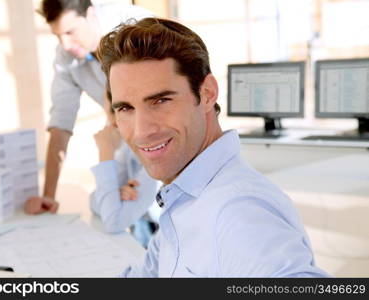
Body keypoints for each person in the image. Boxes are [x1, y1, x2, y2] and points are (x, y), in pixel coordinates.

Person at [96, 17, 329, 277]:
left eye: (161, 100)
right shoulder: (184, 195)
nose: (141, 131)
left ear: (207, 94)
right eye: (126, 108)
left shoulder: (239, 209)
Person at [24, 0, 153, 214]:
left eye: (70, 32)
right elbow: (60, 124)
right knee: (115, 207)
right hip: (125, 146)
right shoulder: (66, 56)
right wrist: (48, 197)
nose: (65, 44)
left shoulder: (138, 26)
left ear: (91, 14)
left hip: (162, 138)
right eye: (57, 36)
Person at [90, 93, 160, 247]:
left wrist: (105, 152)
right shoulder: (127, 150)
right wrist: (115, 194)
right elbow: (95, 202)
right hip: (143, 232)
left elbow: (113, 222)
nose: (112, 122)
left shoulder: (154, 148)